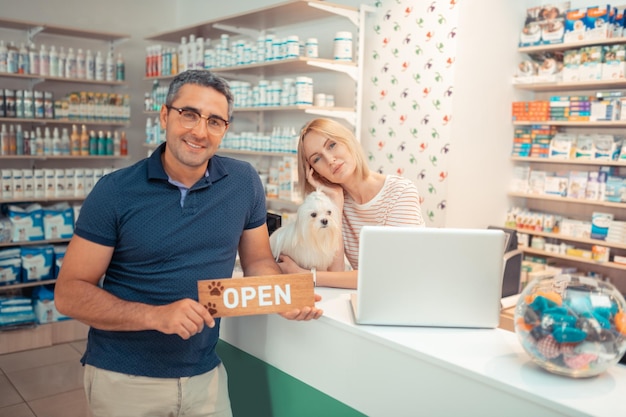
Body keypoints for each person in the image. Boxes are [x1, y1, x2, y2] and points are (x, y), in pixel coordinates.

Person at [54, 70, 323, 417]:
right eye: (189, 114)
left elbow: (257, 261)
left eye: (214, 121)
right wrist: (156, 316)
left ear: (225, 129)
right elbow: (69, 293)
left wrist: (280, 295)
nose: (199, 131)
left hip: (205, 376)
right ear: (165, 115)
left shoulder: (243, 182)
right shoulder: (115, 191)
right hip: (125, 379)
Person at [276, 118, 425, 289]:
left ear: (348, 141)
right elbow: (335, 273)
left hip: (409, 296)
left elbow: (389, 275)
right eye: (317, 159)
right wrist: (336, 203)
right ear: (314, 172)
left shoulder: (400, 192)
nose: (330, 159)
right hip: (372, 298)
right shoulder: (333, 204)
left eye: (332, 145)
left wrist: (307, 276)